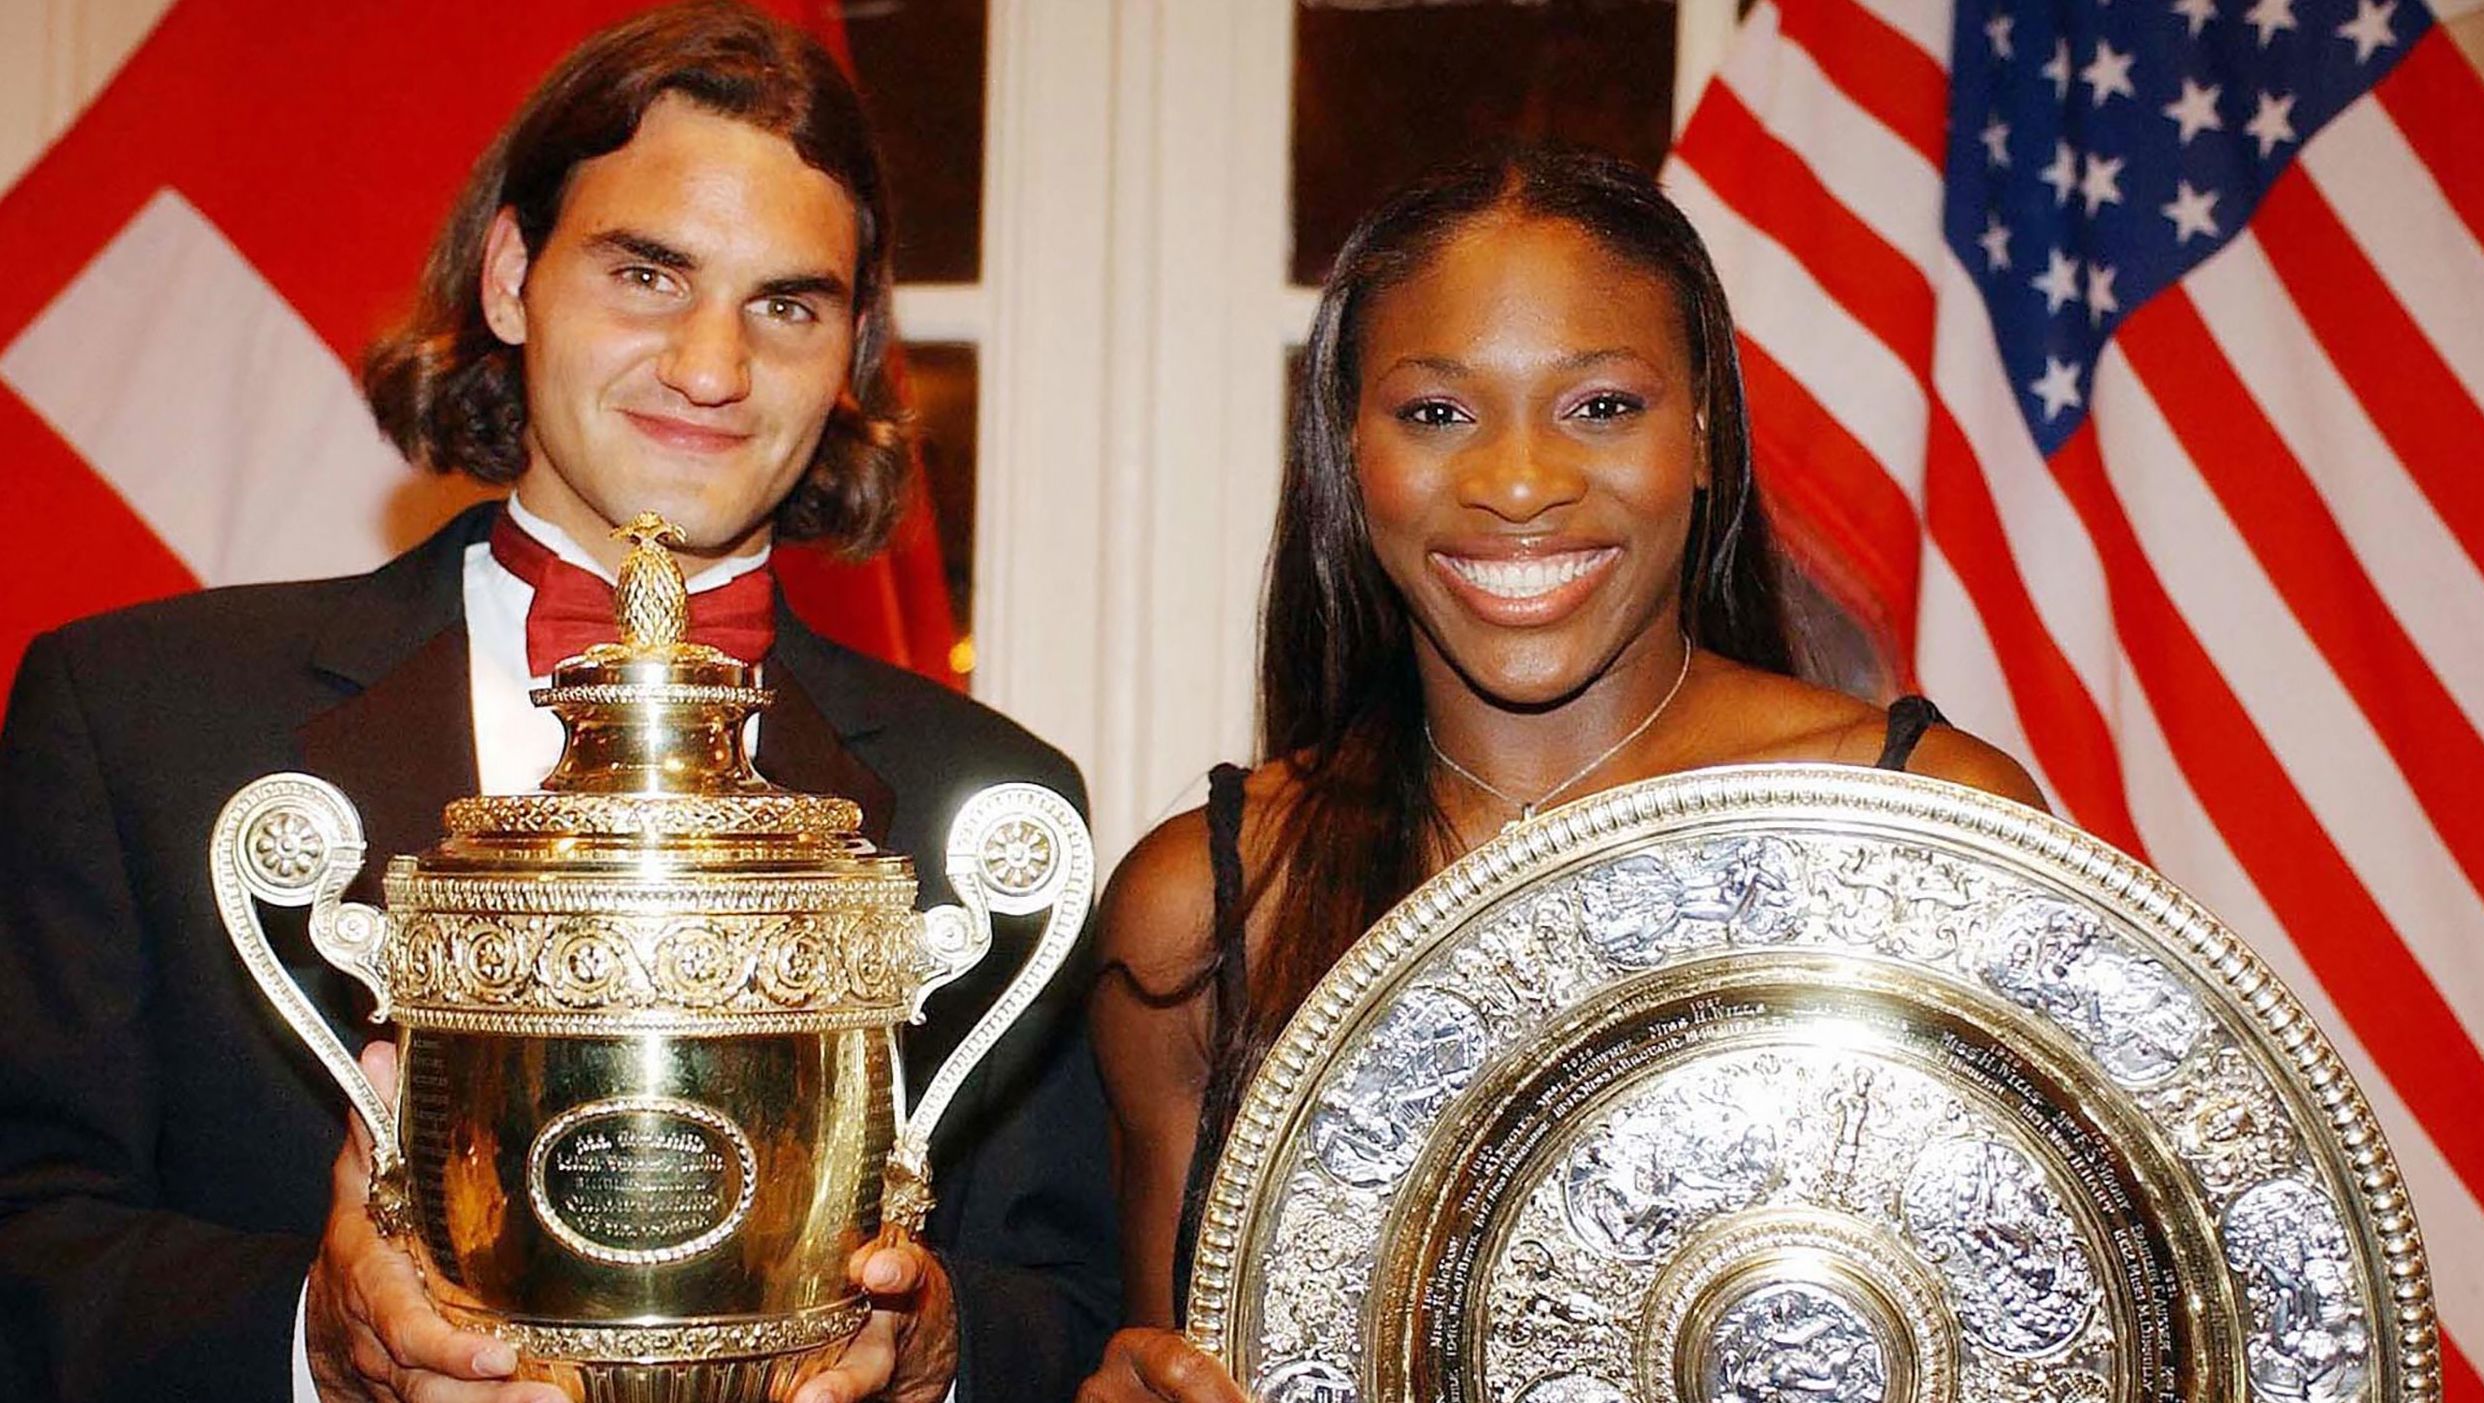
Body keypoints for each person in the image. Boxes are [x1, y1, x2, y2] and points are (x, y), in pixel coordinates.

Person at [0, 6, 1116, 1401]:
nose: (713, 367)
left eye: (788, 302)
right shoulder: (139, 718)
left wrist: (937, 1346)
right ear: (513, 274)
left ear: (851, 351)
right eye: (649, 273)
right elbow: (26, 1232)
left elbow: (1071, 1307)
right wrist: (310, 1336)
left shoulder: (989, 802)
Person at [1076, 146, 2047, 1403]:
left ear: (1701, 439)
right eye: (1435, 412)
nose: (1520, 481)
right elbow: (1171, 1356)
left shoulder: (1932, 824)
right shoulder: (1209, 903)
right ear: (1348, 453)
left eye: (1601, 404)